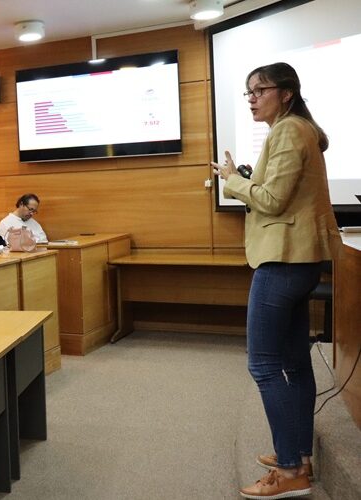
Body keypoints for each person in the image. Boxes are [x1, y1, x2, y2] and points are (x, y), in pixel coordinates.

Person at [212, 62, 338, 500]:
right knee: (295, 363)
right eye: (248, 92)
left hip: (283, 259)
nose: (251, 99)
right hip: (299, 259)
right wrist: (244, 179)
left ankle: (288, 472)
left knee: (263, 364)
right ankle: (298, 456)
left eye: (259, 90)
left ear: (286, 93)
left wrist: (232, 182)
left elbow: (272, 200)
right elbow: (279, 194)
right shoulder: (298, 130)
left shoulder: (288, 131)